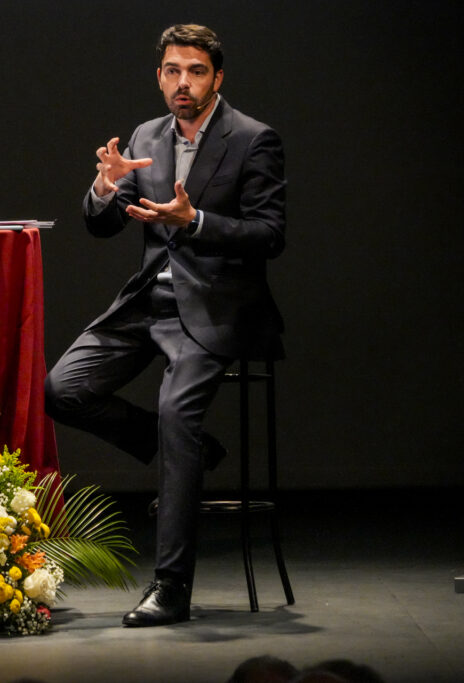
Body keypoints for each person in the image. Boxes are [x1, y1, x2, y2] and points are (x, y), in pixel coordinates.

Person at [44, 24, 286, 627]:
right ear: (159, 76)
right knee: (61, 389)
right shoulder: (147, 136)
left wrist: (196, 220)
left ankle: (171, 586)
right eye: (173, 70)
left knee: (177, 412)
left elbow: (268, 234)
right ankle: (190, 452)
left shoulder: (253, 140)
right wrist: (103, 187)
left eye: (196, 71)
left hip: (215, 304)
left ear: (217, 77)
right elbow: (102, 224)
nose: (184, 82)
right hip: (147, 301)